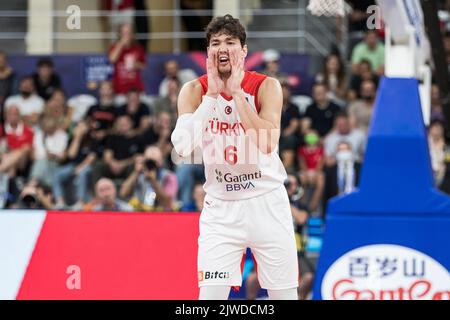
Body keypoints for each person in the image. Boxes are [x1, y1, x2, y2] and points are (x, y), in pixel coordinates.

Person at [171, 14, 299, 300]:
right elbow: (182, 147)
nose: (222, 48)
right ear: (208, 53)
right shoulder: (194, 91)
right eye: (215, 43)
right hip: (221, 208)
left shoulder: (266, 86)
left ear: (243, 50)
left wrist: (238, 95)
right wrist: (213, 97)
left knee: (284, 296)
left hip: (266, 202)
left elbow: (267, 143)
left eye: (230, 42)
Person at [52, 121, 98, 210]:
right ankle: (59, 201)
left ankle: (80, 201)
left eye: (82, 127)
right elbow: (71, 155)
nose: (80, 129)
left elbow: (92, 157)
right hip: (73, 165)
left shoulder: (92, 139)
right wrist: (77, 138)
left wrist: (80, 168)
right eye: (78, 127)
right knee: (58, 174)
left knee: (82, 173)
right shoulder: (72, 139)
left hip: (87, 166)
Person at [120, 145, 178, 211]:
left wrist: (153, 181)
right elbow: (123, 193)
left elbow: (167, 203)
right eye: (149, 162)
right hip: (140, 214)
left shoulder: (169, 177)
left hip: (161, 215)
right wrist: (136, 172)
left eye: (154, 162)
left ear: (161, 161)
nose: (151, 165)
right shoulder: (138, 175)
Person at [323, 141, 361, 214]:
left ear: (351, 151)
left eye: (346, 149)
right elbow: (327, 193)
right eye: (340, 150)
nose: (343, 152)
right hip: (337, 203)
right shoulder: (331, 170)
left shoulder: (360, 167)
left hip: (356, 202)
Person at [108, 23, 146, 95]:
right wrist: (121, 44)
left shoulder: (138, 48)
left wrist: (136, 65)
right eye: (124, 33)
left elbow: (143, 65)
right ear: (119, 34)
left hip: (136, 89)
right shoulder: (114, 47)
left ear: (132, 34)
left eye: (128, 33)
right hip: (120, 89)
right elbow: (112, 59)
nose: (126, 36)